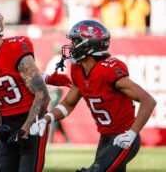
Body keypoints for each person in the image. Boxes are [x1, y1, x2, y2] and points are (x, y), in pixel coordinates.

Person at [30, 20, 156, 172]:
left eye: (75, 42)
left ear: (88, 46)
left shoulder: (109, 70)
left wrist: (132, 133)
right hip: (105, 138)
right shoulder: (78, 69)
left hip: (123, 137)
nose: (71, 46)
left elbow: (148, 100)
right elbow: (68, 104)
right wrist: (46, 119)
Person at [0, 4, 69, 172]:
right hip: (6, 122)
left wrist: (26, 129)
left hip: (31, 120)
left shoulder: (16, 46)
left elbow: (42, 95)